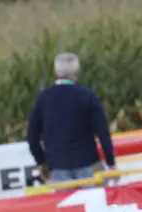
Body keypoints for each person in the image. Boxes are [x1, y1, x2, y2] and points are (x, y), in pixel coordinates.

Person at [26, 52, 116, 183]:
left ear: (56, 73)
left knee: (67, 203)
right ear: (77, 73)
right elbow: (103, 132)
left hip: (58, 166)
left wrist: (41, 161)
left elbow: (32, 135)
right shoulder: (87, 96)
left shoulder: (43, 98)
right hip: (88, 163)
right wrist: (111, 162)